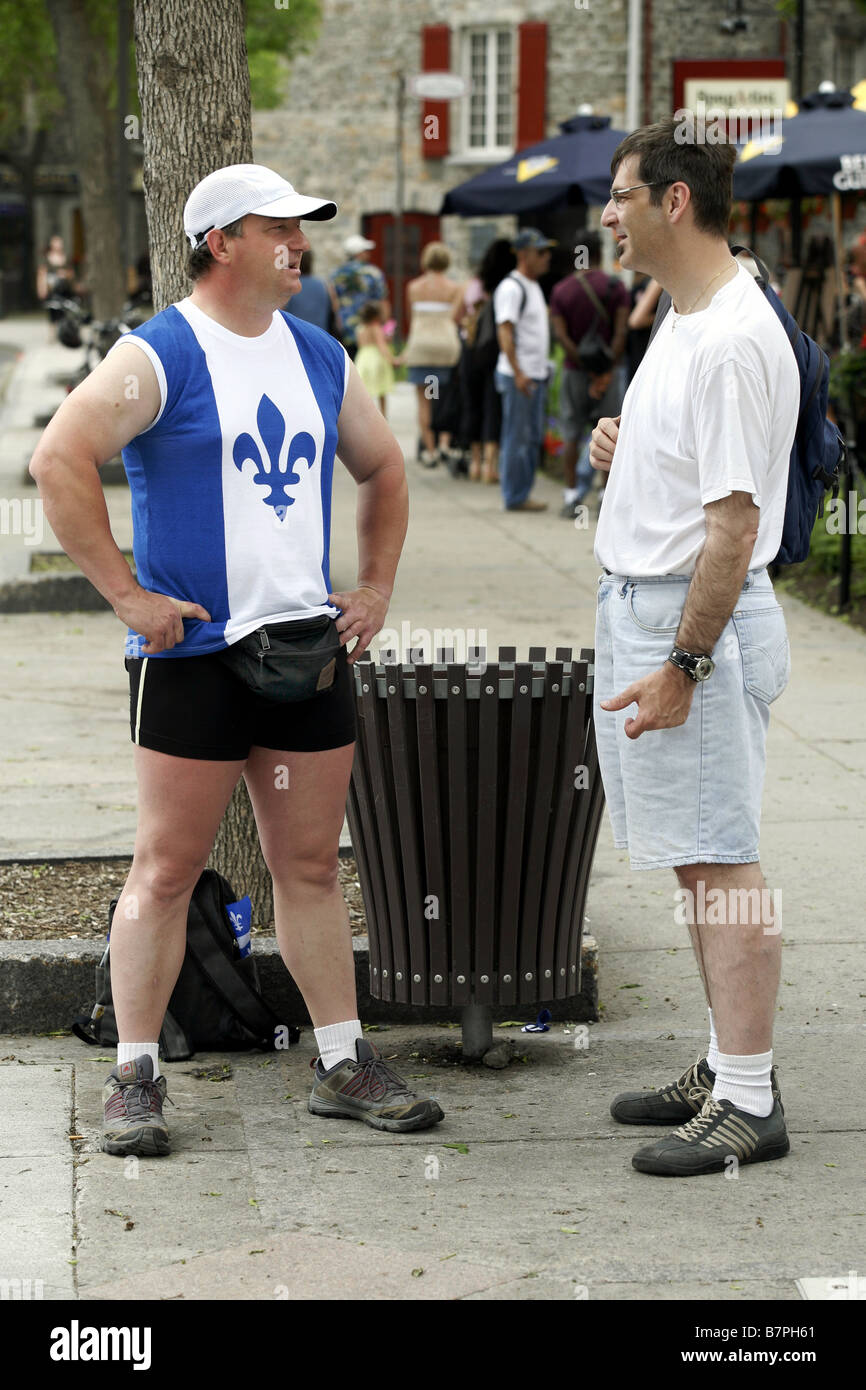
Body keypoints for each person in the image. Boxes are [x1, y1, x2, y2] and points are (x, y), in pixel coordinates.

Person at [29, 163, 444, 1158]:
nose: (300, 244)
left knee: (307, 863)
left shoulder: (318, 354)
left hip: (303, 650)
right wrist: (127, 596)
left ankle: (342, 1060)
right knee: (167, 867)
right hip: (192, 658)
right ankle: (135, 1072)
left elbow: (383, 466)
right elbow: (57, 459)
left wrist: (376, 586)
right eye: (280, 228)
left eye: (302, 229)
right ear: (221, 240)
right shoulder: (159, 352)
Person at [589, 119, 799, 1177]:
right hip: (653, 608)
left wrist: (683, 665)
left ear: (673, 201)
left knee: (724, 865)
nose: (606, 216)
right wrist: (622, 455)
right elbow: (697, 480)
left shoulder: (722, 338)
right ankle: (725, 1063)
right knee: (696, 860)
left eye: (620, 195)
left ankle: (749, 1098)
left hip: (691, 625)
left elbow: (732, 527)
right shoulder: (685, 318)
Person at [550, 229, 629, 519]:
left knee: (571, 434)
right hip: (609, 374)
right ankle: (605, 496)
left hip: (574, 373)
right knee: (609, 432)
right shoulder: (615, 287)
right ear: (600, 252)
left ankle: (572, 497)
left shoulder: (561, 291)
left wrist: (585, 367)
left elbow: (562, 338)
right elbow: (621, 333)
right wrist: (604, 374)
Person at [493, 227, 554, 511]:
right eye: (541, 252)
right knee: (517, 437)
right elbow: (505, 332)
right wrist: (518, 372)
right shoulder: (512, 288)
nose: (547, 257)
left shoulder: (532, 286)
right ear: (524, 255)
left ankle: (521, 493)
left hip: (533, 374)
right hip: (521, 376)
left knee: (529, 438)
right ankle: (515, 496)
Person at [454, 238, 514, 484]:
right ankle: (492, 466)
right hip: (495, 351)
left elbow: (455, 315)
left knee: (472, 404)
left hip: (470, 351)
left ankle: (475, 465)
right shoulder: (507, 286)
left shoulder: (473, 284)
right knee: (493, 405)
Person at [402, 241, 463, 468]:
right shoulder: (455, 288)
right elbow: (454, 317)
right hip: (445, 345)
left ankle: (430, 450)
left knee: (424, 401)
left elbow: (411, 318)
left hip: (421, 345)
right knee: (443, 398)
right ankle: (445, 443)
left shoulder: (414, 287)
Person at [329, 233, 389, 360]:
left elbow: (334, 302)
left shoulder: (336, 274)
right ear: (358, 253)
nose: (368, 254)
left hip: (345, 329)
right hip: (369, 330)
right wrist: (385, 326)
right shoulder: (373, 273)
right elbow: (382, 300)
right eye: (365, 251)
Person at [286, 249, 342, 339]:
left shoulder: (288, 286)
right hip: (321, 337)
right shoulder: (325, 285)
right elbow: (336, 312)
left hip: (295, 338)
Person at [354, 301, 395, 415]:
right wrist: (392, 359)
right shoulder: (375, 327)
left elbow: (360, 344)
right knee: (381, 390)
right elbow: (381, 345)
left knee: (366, 391)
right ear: (376, 316)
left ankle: (366, 416)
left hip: (362, 357)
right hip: (375, 358)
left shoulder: (360, 328)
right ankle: (383, 416)